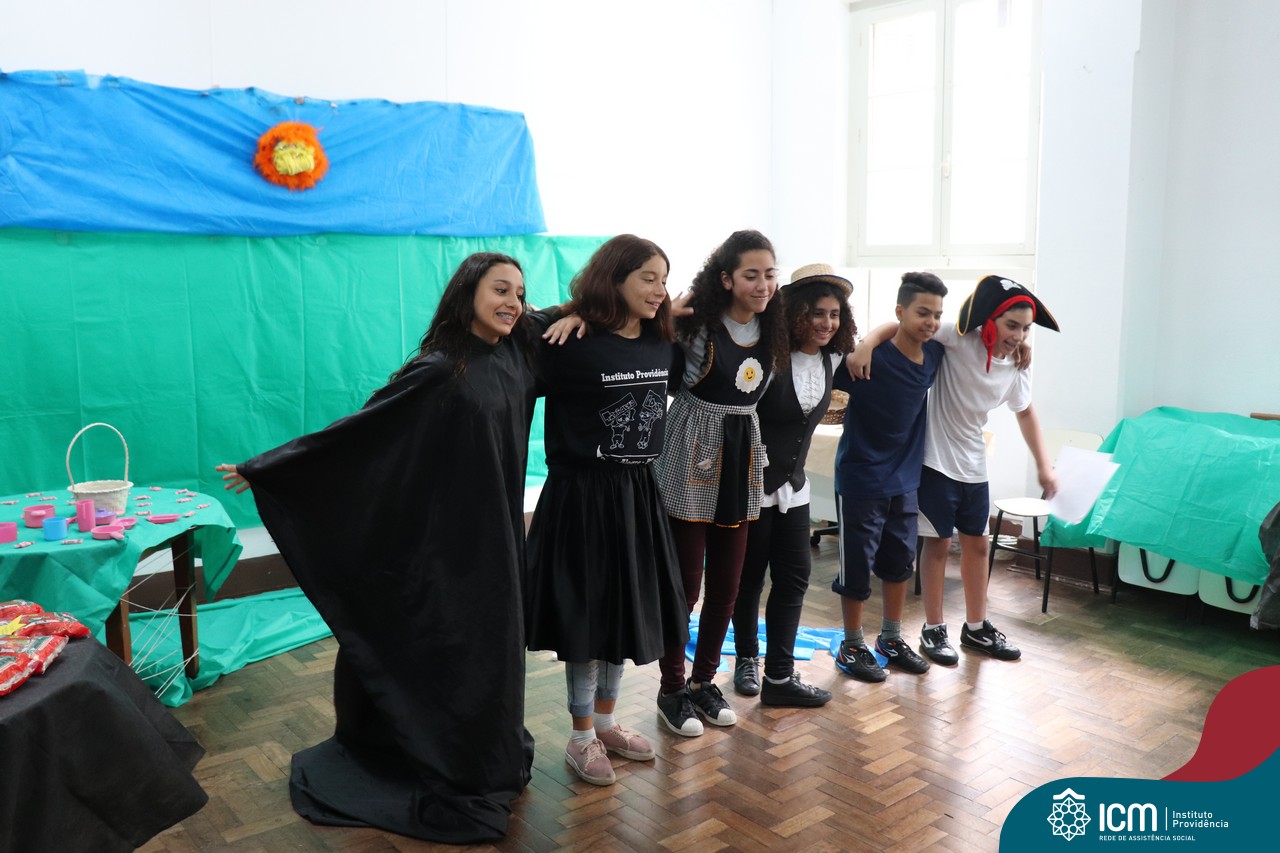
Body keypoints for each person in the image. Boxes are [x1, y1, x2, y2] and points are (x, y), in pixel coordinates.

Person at [215, 253, 544, 844]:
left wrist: (644, 309)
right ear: (468, 293)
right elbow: (362, 432)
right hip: (445, 547)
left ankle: (479, 751)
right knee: (453, 649)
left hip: (495, 541)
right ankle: (429, 752)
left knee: (492, 650)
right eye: (501, 290)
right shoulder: (441, 370)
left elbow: (574, 317)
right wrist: (271, 468)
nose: (513, 303)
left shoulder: (517, 355)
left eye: (520, 293)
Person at [523, 235, 690, 786]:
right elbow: (515, 327)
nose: (659, 290)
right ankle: (580, 739)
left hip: (637, 494)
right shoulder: (569, 341)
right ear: (614, 279)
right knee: (588, 618)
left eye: (664, 279)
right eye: (647, 277)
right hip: (582, 498)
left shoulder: (663, 344)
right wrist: (572, 312)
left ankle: (607, 723)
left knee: (621, 609)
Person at [849, 275, 1059, 663]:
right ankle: (933, 630)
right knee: (939, 544)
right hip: (935, 459)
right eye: (1011, 325)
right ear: (990, 321)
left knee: (978, 544)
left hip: (973, 462)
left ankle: (976, 628)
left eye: (1025, 329)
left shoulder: (1018, 363)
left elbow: (1025, 412)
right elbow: (906, 324)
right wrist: (866, 343)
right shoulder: (960, 338)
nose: (1018, 335)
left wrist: (1044, 467)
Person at [652, 229, 789, 736]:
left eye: (769, 274)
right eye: (751, 275)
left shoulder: (774, 330)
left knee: (728, 584)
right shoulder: (699, 328)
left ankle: (703, 682)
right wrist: (667, 318)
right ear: (727, 279)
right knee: (686, 585)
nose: (763, 285)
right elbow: (647, 348)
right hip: (693, 448)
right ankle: (671, 688)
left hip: (742, 451)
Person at [730, 264, 856, 707]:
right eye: (817, 313)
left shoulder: (831, 360)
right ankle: (747, 658)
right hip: (753, 489)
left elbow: (878, 338)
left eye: (835, 314)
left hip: (795, 490)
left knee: (794, 579)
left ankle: (780, 676)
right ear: (796, 313)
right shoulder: (767, 359)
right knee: (748, 579)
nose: (827, 323)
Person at [831, 271, 947, 683]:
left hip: (905, 481)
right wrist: (865, 344)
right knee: (856, 569)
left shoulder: (935, 355)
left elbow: (974, 337)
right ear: (900, 311)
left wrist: (1021, 345)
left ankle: (891, 639)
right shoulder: (866, 361)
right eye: (922, 313)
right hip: (861, 479)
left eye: (937, 315)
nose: (931, 322)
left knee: (899, 564)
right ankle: (851, 644)